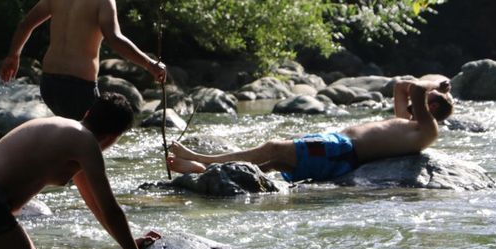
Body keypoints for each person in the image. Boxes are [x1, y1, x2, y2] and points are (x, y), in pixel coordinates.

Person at [0, 92, 180, 249]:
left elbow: (95, 204)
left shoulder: (65, 130)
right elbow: (111, 208)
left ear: (88, 114)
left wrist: (126, 243)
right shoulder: (86, 143)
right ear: (113, 137)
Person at [167, 78, 454, 182]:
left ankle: (204, 160)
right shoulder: (411, 122)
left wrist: (438, 88)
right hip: (336, 149)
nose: (418, 104)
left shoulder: (427, 130)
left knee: (273, 147)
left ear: (434, 110)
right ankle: (203, 172)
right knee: (275, 163)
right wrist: (433, 93)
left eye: (428, 103)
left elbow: (415, 87)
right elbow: (401, 87)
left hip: (341, 150)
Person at [0, 0, 166, 120]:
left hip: (49, 84)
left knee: (69, 135)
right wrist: (149, 64)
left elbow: (25, 24)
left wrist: (13, 56)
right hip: (78, 87)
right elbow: (114, 39)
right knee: (92, 139)